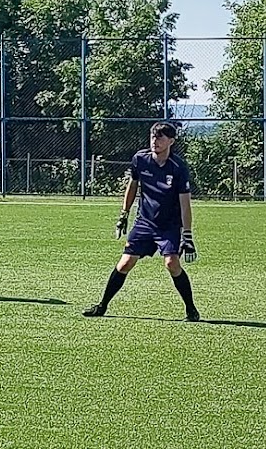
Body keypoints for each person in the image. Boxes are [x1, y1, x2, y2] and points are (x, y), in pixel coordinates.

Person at [82, 121, 199, 321]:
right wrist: (123, 215)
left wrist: (186, 235)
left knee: (172, 263)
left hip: (169, 225)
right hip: (145, 222)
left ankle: (191, 310)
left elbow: (185, 202)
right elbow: (133, 186)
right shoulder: (140, 159)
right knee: (125, 263)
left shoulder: (178, 167)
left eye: (160, 137)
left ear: (171, 141)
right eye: (153, 136)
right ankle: (102, 306)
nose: (155, 141)